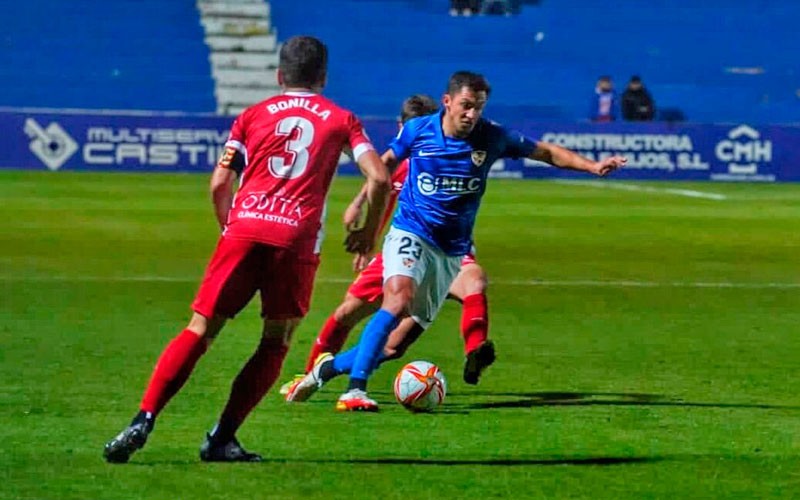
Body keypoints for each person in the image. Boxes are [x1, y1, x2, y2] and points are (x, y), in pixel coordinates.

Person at [102, 35, 391, 463]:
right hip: (294, 240)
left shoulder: (253, 115)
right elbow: (380, 178)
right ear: (323, 77)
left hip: (243, 230)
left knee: (200, 329)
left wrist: (230, 227)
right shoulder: (340, 119)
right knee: (276, 340)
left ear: (280, 75)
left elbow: (221, 182)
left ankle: (143, 418)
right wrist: (367, 233)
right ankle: (221, 438)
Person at [286, 70, 626, 412]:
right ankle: (355, 391)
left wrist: (592, 166)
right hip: (410, 232)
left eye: (478, 107)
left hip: (450, 253)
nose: (471, 114)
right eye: (465, 105)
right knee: (397, 300)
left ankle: (323, 371)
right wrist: (365, 212)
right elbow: (384, 165)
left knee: (393, 347)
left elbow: (546, 152)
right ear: (447, 102)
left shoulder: (491, 136)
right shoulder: (419, 130)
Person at [280, 94, 494, 397]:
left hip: (445, 252)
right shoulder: (405, 160)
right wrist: (361, 215)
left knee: (472, 282)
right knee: (358, 321)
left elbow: (384, 187)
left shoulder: (434, 158)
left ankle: (475, 350)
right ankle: (315, 372)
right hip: (406, 251)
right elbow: (382, 189)